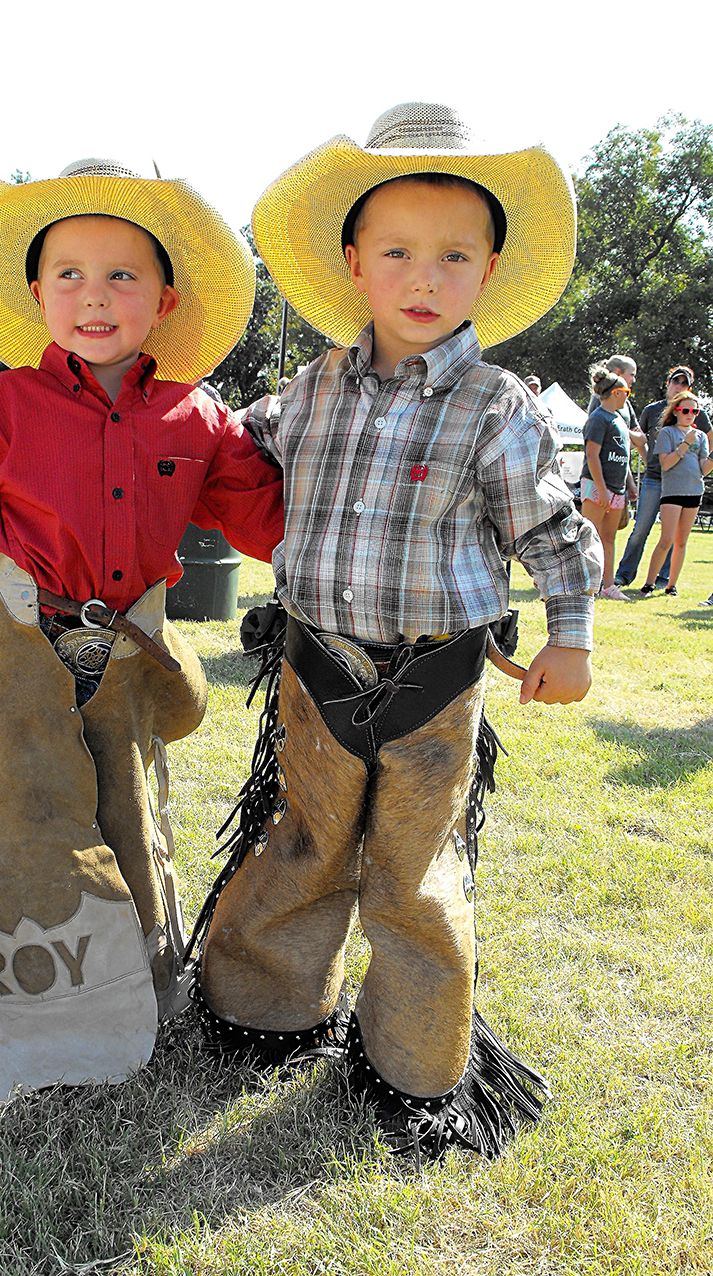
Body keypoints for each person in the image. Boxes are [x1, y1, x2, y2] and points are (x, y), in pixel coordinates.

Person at [189, 102, 602, 1163]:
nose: (426, 278)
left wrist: (572, 636)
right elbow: (235, 453)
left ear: (490, 269)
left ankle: (416, 1061)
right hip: (315, 666)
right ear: (354, 261)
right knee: (304, 842)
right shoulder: (311, 388)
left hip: (435, 681)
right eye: (400, 253)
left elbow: (554, 531)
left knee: (413, 877)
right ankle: (261, 1013)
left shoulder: (497, 404)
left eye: (454, 256)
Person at [0, 159, 283, 1104]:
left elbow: (268, 521)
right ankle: (35, 1008)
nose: (94, 295)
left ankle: (141, 985)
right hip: (19, 645)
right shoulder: (2, 407)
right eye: (68, 273)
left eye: (122, 275)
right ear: (36, 294)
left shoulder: (199, 416)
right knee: (22, 816)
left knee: (125, 806)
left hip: (129, 656)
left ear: (164, 299)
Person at [615, 366, 712, 587]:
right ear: (667, 384)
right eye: (675, 382)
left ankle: (662, 578)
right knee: (641, 528)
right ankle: (625, 574)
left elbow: (708, 437)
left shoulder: (698, 413)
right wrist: (650, 458)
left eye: (684, 384)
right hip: (655, 478)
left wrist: (698, 465)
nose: (679, 386)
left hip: (680, 483)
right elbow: (640, 439)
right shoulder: (652, 410)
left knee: (674, 536)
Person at [640, 390, 713, 596]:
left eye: (695, 411)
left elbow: (703, 468)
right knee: (667, 540)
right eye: (686, 410)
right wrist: (686, 443)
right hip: (672, 491)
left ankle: (671, 586)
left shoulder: (700, 436)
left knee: (682, 541)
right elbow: (666, 463)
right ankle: (649, 583)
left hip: (694, 491)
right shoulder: (667, 432)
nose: (690, 415)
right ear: (676, 411)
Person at [580, 365, 637, 601]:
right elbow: (592, 455)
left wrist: (630, 485)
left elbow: (623, 457)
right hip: (597, 486)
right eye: (626, 391)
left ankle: (608, 585)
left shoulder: (620, 419)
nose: (627, 395)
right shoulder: (599, 418)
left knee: (609, 537)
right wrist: (601, 489)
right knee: (586, 535)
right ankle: (578, 583)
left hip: (617, 488)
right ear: (615, 392)